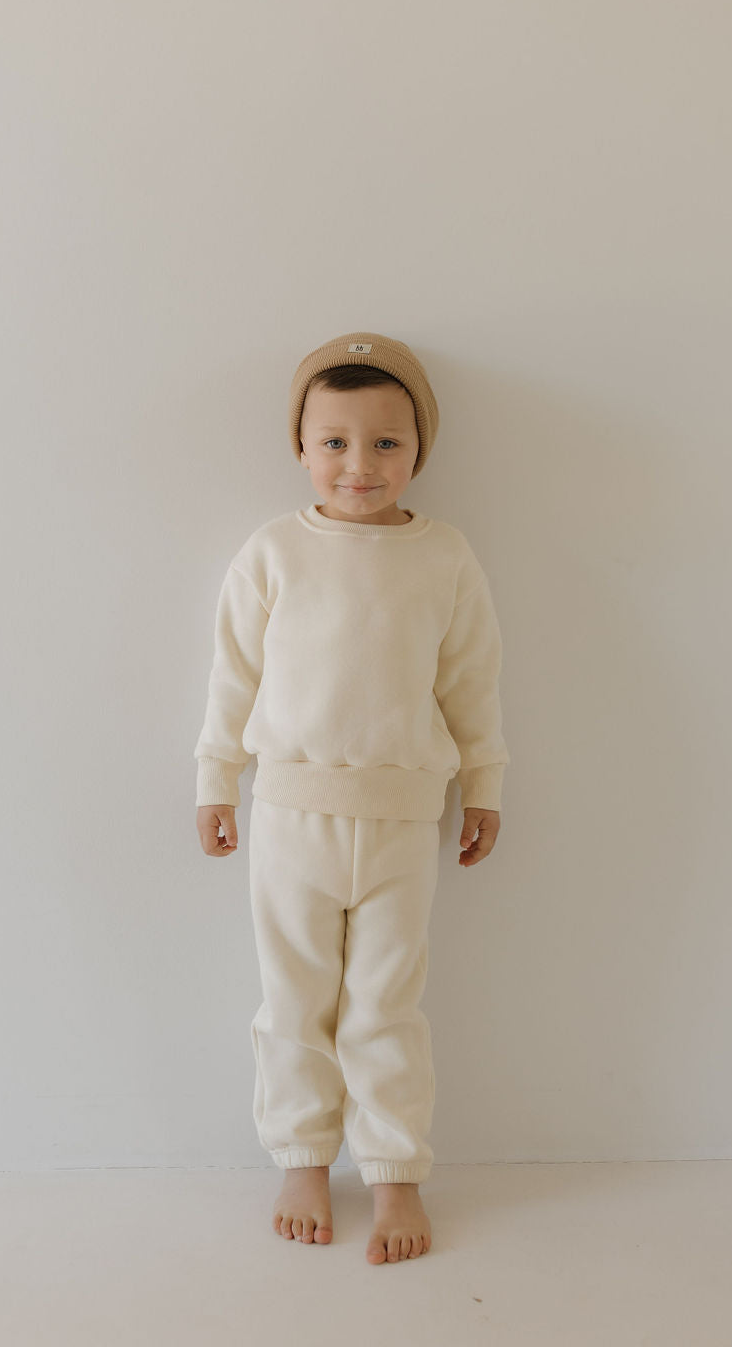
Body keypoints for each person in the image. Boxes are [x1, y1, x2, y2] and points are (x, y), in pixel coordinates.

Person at [193, 331, 510, 1264]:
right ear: (300, 447)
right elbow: (232, 677)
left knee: (384, 1005)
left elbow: (472, 682)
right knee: (293, 998)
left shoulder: (445, 557)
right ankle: (301, 1157)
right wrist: (216, 779)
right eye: (333, 441)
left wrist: (485, 783)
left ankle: (396, 1172)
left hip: (407, 821)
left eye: (385, 443)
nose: (358, 464)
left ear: (418, 452)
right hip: (289, 814)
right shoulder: (272, 553)